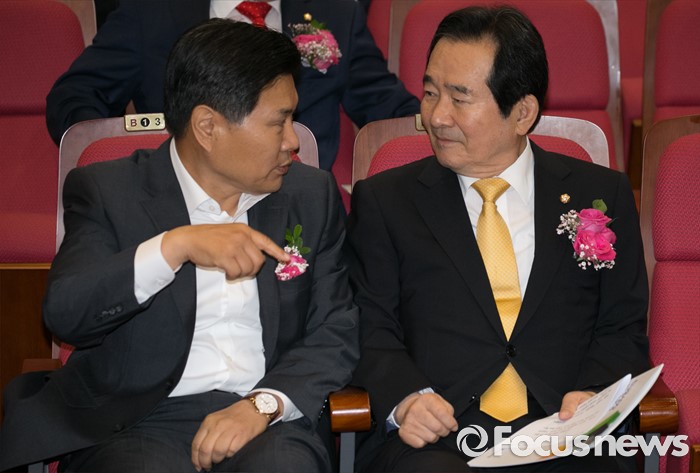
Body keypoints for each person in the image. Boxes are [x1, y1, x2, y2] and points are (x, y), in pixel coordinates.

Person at [1, 19, 358, 472]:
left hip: (265, 420)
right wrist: (174, 247)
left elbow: (336, 328)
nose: (293, 141)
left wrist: (264, 405)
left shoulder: (310, 195)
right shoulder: (109, 191)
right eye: (278, 123)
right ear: (207, 127)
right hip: (138, 422)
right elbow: (68, 315)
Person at [346, 6, 649, 472]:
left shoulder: (600, 195)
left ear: (522, 112)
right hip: (438, 439)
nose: (436, 116)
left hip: (563, 430)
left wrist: (592, 393)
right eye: (430, 93)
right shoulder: (387, 201)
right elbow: (370, 324)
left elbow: (622, 325)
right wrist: (407, 399)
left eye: (460, 98)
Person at [46, 0, 419, 171]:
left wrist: (436, 124)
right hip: (182, 207)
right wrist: (128, 167)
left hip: (301, 206)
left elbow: (388, 105)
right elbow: (75, 96)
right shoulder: (151, 12)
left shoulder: (334, 11)